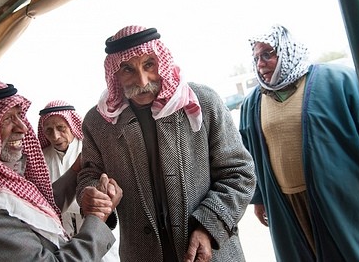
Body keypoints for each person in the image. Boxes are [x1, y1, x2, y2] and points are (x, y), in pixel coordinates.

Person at [76, 25, 256, 262]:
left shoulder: (204, 103)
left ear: (161, 61)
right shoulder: (98, 122)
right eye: (128, 69)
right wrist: (91, 194)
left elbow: (239, 173)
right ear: (114, 75)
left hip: (211, 251)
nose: (141, 80)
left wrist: (208, 226)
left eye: (149, 65)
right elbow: (89, 175)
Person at [0, 74, 122, 262]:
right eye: (6, 119)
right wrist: (97, 217)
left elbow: (35, 206)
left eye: (19, 115)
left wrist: (77, 168)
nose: (23, 128)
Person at [239, 24, 359, 261]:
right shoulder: (252, 103)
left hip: (343, 199)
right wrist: (259, 199)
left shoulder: (338, 81)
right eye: (256, 58)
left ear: (286, 51)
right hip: (286, 205)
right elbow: (248, 156)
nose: (260, 64)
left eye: (267, 54)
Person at [37, 100, 120, 261]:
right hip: (61, 225)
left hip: (94, 221)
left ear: (71, 125)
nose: (55, 136)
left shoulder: (89, 149)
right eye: (49, 130)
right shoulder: (40, 157)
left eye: (61, 128)